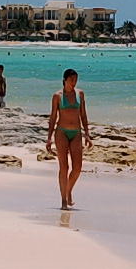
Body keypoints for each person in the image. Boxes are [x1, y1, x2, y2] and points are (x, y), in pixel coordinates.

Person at [45, 69, 92, 210]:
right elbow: (53, 117)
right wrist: (49, 138)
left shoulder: (80, 94)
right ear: (65, 80)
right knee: (64, 167)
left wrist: (87, 134)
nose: (74, 82)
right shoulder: (57, 96)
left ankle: (69, 190)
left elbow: (83, 115)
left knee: (77, 168)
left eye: (76, 80)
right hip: (61, 133)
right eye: (71, 80)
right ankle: (63, 201)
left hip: (76, 133)